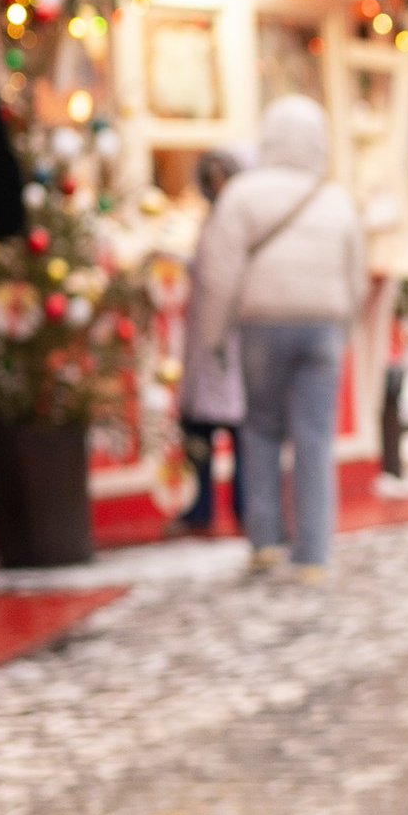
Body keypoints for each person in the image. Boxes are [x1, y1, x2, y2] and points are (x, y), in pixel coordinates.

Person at [193, 93, 362, 577]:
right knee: (314, 439)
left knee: (262, 429)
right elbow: (354, 277)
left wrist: (211, 338)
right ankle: (313, 554)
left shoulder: (241, 195)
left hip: (262, 326)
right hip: (322, 328)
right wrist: (342, 330)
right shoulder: (336, 199)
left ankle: (265, 542)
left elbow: (217, 274)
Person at [176, 143, 246, 537]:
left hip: (226, 338)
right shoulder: (213, 219)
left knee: (238, 429)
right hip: (208, 340)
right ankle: (199, 506)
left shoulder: (237, 221)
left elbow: (223, 275)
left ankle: (242, 504)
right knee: (199, 428)